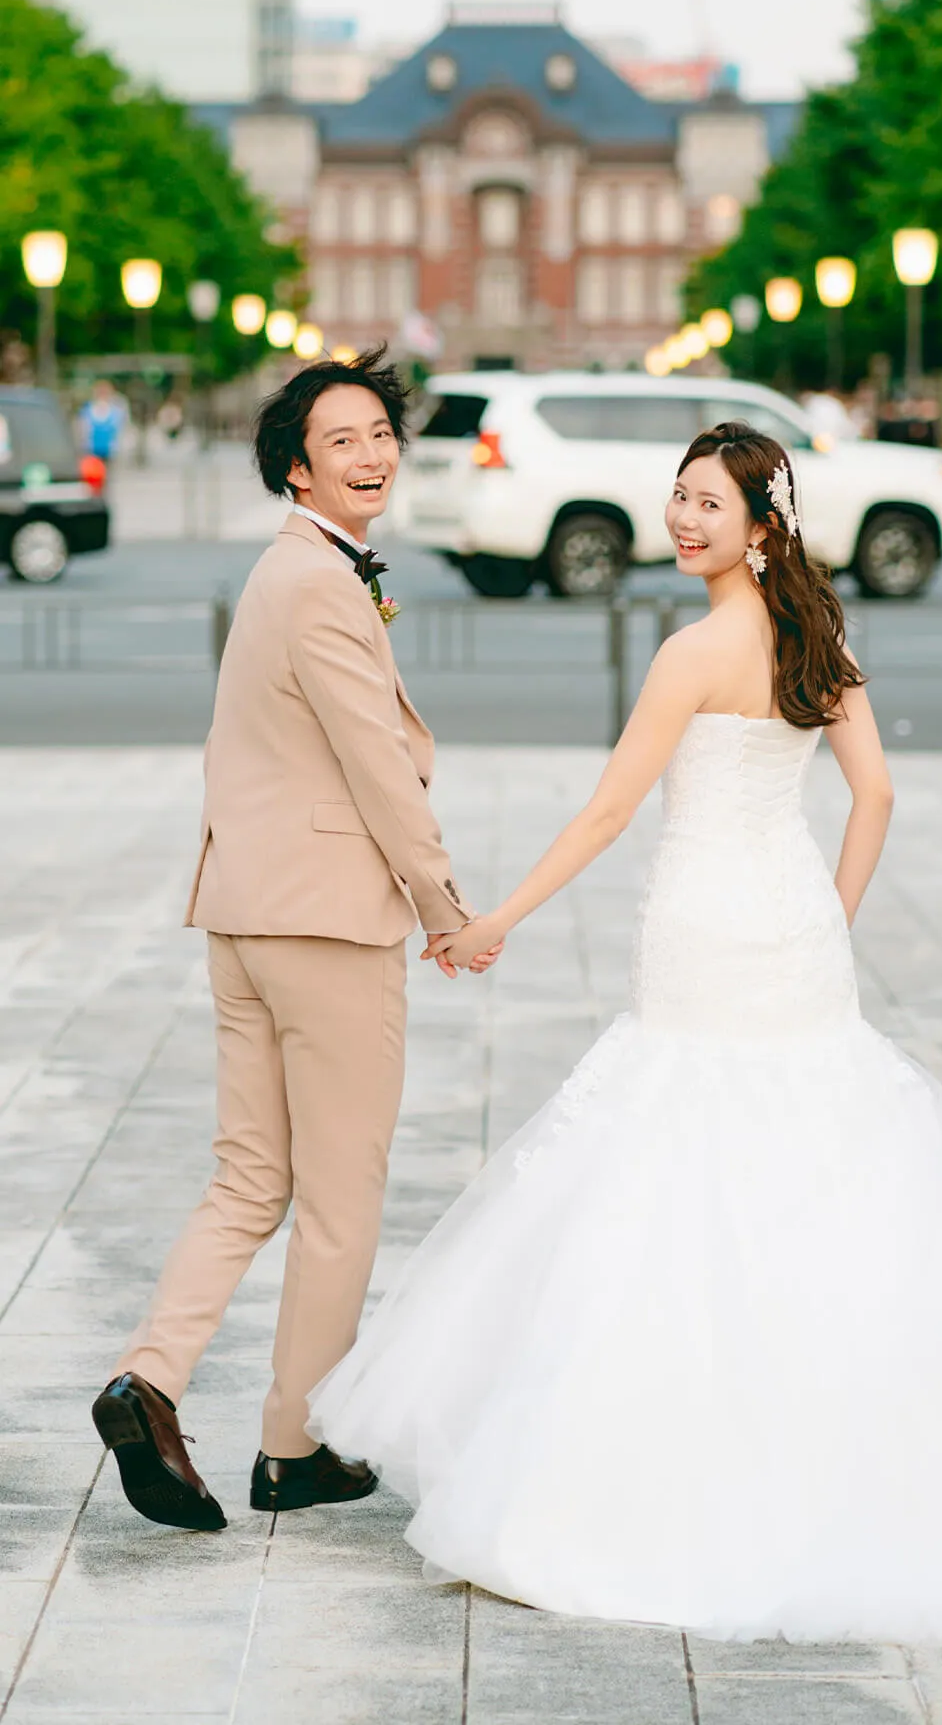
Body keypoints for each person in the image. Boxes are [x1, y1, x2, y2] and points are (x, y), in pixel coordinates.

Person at [309, 421, 942, 1642]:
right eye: (677, 498)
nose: (682, 519)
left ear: (761, 524)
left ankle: (661, 1472)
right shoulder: (818, 638)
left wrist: (494, 915)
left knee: (675, 1161)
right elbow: (875, 793)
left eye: (707, 504)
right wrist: (833, 916)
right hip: (793, 932)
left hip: (703, 933)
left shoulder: (691, 651)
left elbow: (614, 809)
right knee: (819, 1175)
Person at [92, 348, 499, 1531]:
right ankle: (294, 1445)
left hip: (247, 914)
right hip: (326, 924)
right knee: (338, 1201)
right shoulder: (320, 585)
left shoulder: (294, 571)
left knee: (249, 1178)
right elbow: (377, 765)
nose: (371, 455)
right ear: (295, 468)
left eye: (380, 432)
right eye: (343, 442)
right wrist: (447, 912)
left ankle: (149, 1379)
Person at [78, 379, 126, 462]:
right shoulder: (87, 410)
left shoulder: (116, 411)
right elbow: (82, 431)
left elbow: (121, 431)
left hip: (109, 451)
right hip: (91, 450)